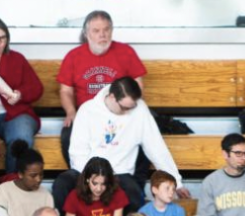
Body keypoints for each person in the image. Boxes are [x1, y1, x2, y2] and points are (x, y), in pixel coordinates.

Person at [61, 77, 180, 209]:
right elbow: (78, 152)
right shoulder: (87, 109)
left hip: (120, 173)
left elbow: (156, 148)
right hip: (89, 171)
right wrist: (91, 180)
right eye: (124, 107)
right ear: (111, 97)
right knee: (62, 183)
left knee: (133, 193)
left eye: (132, 107)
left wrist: (176, 182)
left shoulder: (139, 109)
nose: (128, 111)